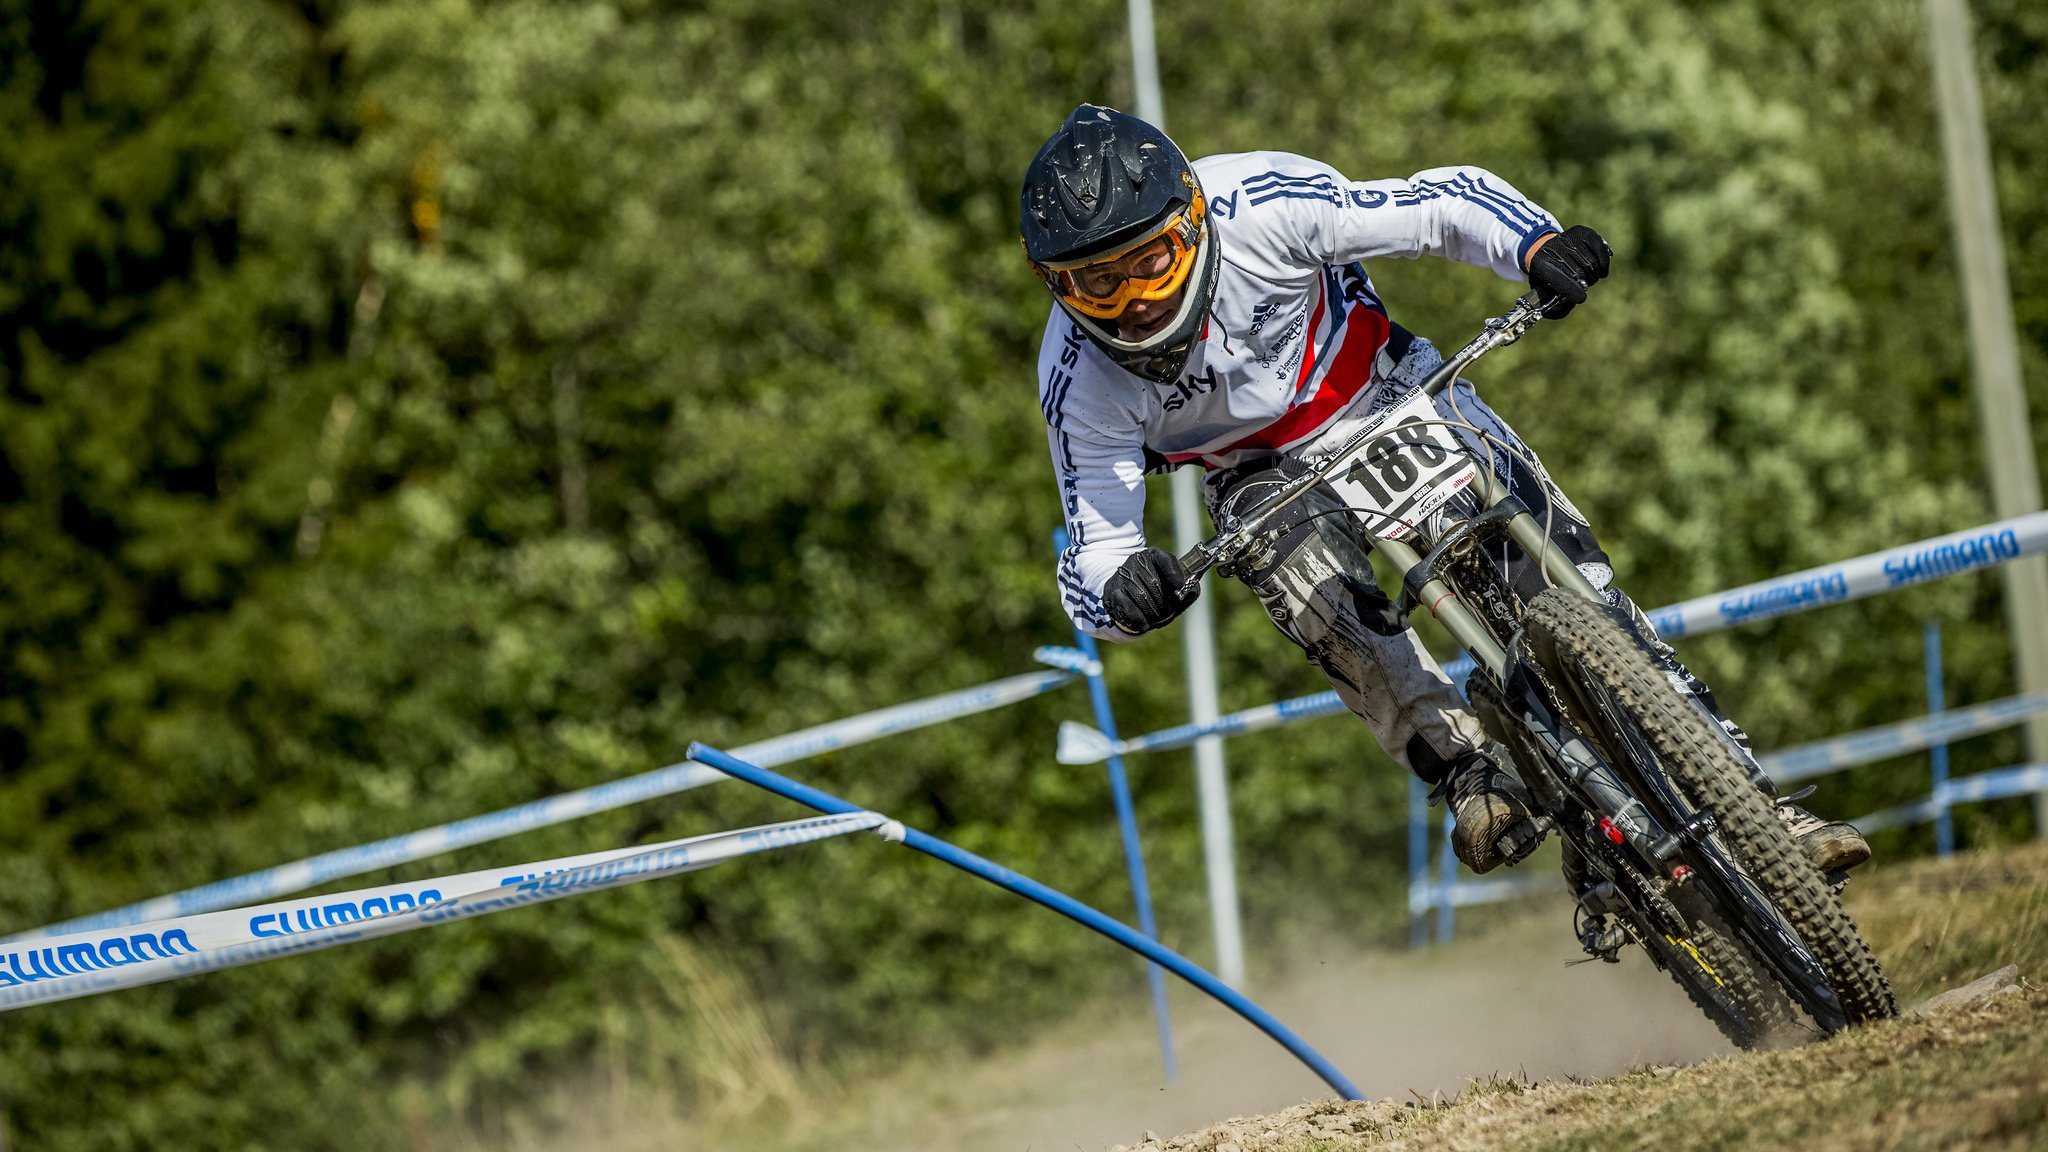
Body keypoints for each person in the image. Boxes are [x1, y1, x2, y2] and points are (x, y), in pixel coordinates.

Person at [1019, 104, 1869, 879]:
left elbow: (1441, 204)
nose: (1131, 302)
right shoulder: (1078, 381)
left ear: (1194, 222)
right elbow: (1096, 553)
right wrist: (1126, 596)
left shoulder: (1264, 204)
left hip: (1388, 390)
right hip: (1258, 470)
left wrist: (1535, 245)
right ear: (1055, 284)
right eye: (1097, 282)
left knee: (1574, 581)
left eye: (1149, 261)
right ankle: (1468, 768)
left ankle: (1757, 812)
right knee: (1309, 588)